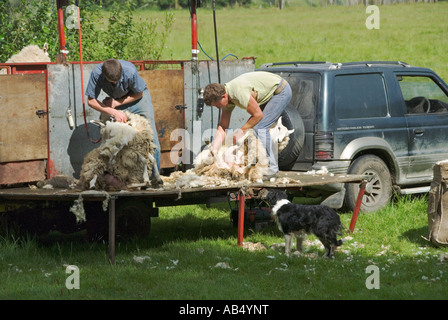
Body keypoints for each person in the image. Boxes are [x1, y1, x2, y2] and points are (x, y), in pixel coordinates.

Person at [203, 71, 292, 179]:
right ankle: (260, 164)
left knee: (260, 127)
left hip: (280, 91)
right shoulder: (227, 98)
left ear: (223, 96)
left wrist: (241, 131)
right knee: (254, 128)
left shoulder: (238, 92)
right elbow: (223, 126)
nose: (218, 108)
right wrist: (214, 149)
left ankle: (272, 169)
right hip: (268, 95)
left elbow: (258, 115)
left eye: (217, 105)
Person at [85, 58, 160, 172]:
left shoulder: (130, 70)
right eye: (111, 81)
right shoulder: (97, 73)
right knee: (118, 143)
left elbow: (139, 93)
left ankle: (156, 180)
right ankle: (125, 179)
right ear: (104, 75)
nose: (115, 83)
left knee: (150, 139)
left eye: (117, 80)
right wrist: (113, 111)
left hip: (138, 100)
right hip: (116, 103)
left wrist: (115, 103)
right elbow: (91, 101)